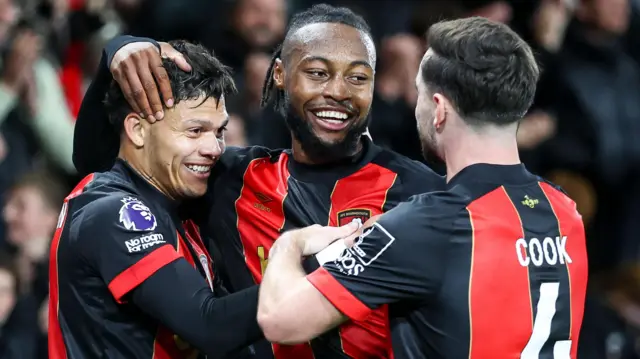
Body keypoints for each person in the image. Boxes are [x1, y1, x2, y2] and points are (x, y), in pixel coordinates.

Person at [71, 4, 445, 358]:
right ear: (280, 74)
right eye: (317, 72)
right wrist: (119, 53)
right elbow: (106, 163)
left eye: (358, 77)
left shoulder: (420, 195)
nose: (338, 91)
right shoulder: (228, 178)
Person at [256, 17, 590, 359]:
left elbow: (279, 320)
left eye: (419, 94)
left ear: (439, 110)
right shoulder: (566, 213)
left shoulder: (426, 225)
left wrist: (291, 242)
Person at [49, 40, 271, 359]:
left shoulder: (178, 205)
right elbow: (208, 324)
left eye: (219, 132)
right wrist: (326, 273)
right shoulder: (113, 211)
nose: (214, 148)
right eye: (195, 131)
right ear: (138, 130)